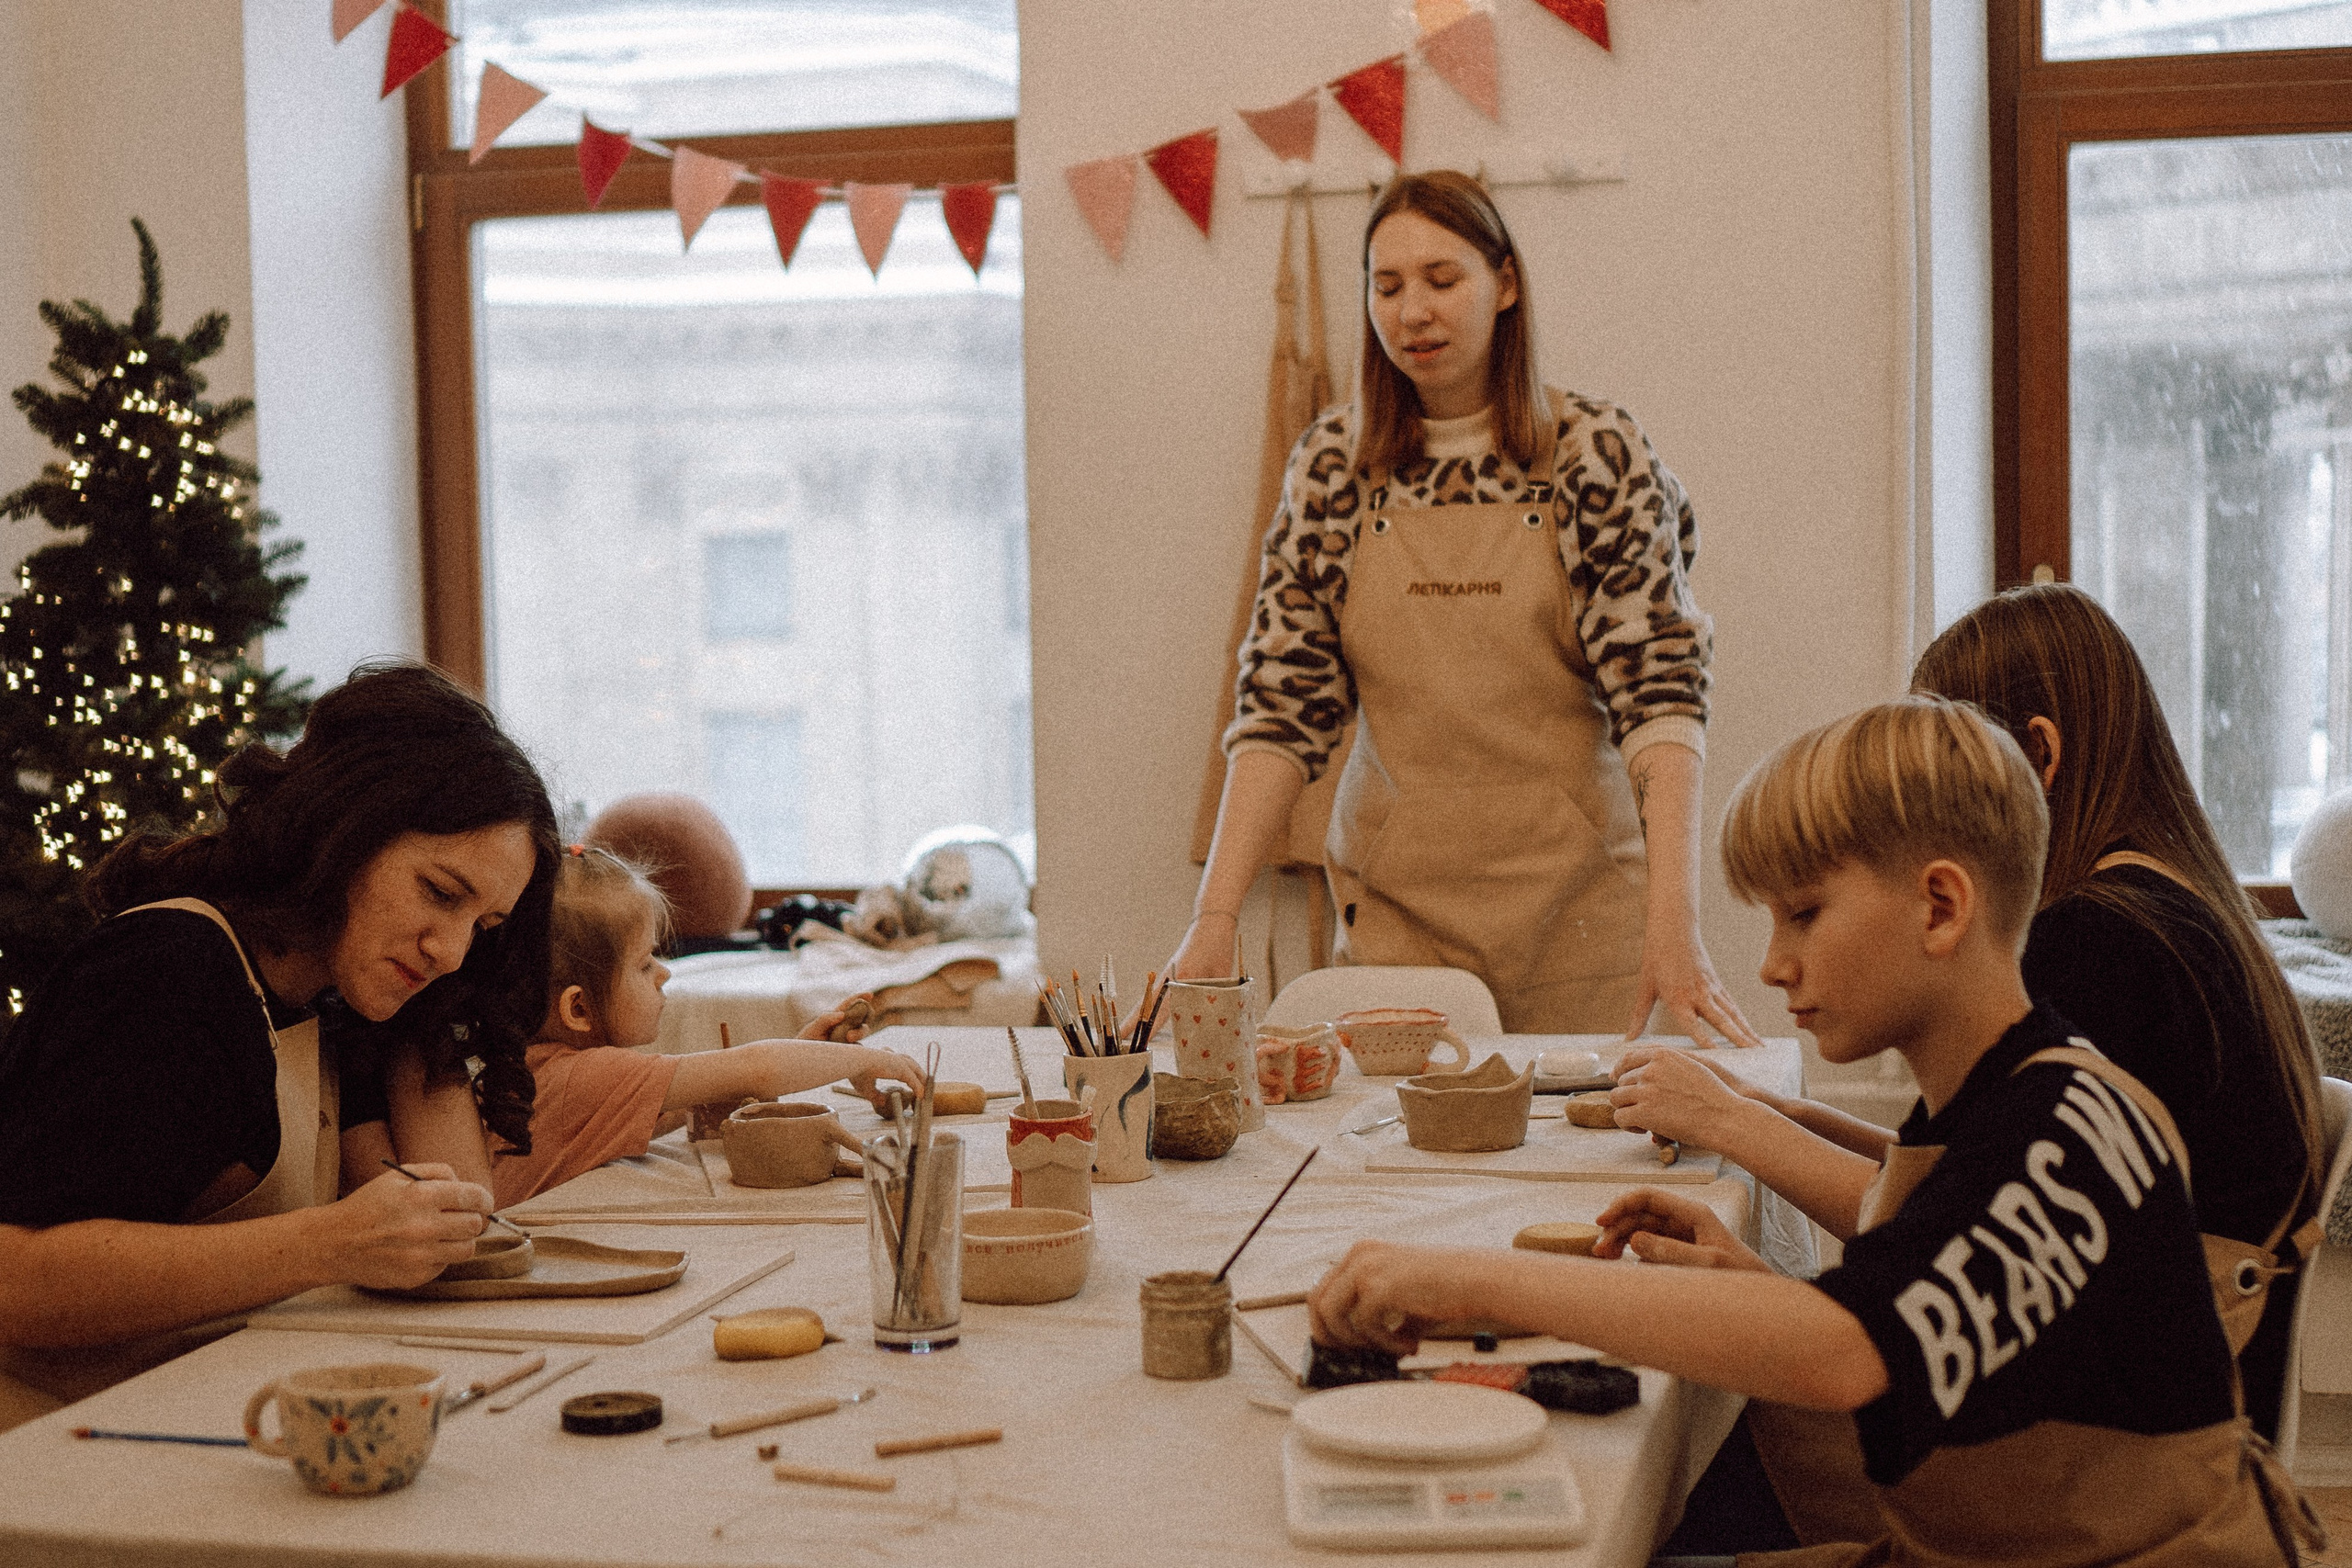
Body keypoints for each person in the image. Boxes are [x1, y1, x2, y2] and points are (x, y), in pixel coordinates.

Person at [1310, 696, 2317, 1567]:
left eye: (1802, 914)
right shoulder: (2010, 1094)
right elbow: (1965, 1330)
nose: (1773, 965)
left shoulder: (2057, 1135)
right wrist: (1748, 1286)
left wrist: (1462, 1277)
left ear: (1938, 905)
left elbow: (1845, 1353)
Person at [1611, 583, 2324, 1441]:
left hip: (2108, 1440)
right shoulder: (2167, 906)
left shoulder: (2104, 943)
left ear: (2037, 756)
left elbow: (1938, 1215)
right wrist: (1777, 1117)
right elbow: (1971, 1184)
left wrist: (1731, 1124)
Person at [1170, 170, 1758, 1045]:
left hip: (1585, 919)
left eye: (1443, 280)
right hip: (1399, 922)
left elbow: (1662, 700)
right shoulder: (1334, 468)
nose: (1413, 311)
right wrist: (1213, 916)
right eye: (1388, 284)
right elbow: (1280, 712)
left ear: (1506, 284)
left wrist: (1676, 924)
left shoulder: (1595, 454)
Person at [0, 662, 560, 1425]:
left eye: (482, 927)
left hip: (196, 1417)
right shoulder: (170, 971)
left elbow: (460, 1219)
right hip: (50, 1443)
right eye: (440, 892)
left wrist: (418, 1024)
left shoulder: (332, 992)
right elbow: (22, 1282)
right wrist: (325, 1244)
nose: (453, 950)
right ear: (347, 826)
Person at [488, 846, 928, 1207]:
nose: (664, 974)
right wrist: (861, 1057)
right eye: (644, 964)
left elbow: (703, 1103)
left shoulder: (548, 1069)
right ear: (579, 1009)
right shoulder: (579, 1079)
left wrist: (809, 1053)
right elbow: (758, 1068)